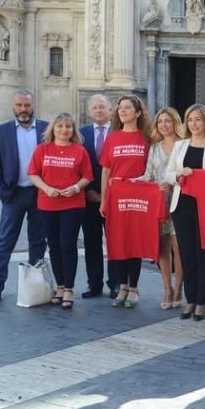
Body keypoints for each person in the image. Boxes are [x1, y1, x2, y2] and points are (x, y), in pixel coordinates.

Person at [0, 89, 49, 305]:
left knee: (38, 242)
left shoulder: (46, 129)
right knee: (5, 240)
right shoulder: (0, 131)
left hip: (40, 193)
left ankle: (34, 286)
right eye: (20, 105)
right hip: (13, 194)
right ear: (13, 106)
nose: (23, 110)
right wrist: (1, 192)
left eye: (27, 105)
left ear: (33, 106)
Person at [165, 104, 205, 320]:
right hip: (182, 206)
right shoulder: (179, 146)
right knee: (187, 254)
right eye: (190, 119)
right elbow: (167, 174)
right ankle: (190, 300)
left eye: (198, 119)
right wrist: (179, 174)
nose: (194, 124)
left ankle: (202, 300)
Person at [27, 113, 92, 310]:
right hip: (48, 203)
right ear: (53, 129)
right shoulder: (42, 150)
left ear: (73, 130)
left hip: (72, 204)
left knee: (67, 244)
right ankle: (60, 285)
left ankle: (69, 288)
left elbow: (87, 176)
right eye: (60, 126)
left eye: (68, 126)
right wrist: (46, 188)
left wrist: (76, 188)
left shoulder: (79, 151)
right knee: (53, 246)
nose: (64, 130)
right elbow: (33, 173)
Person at [99, 95, 153, 309]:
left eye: (127, 108)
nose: (122, 111)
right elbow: (105, 170)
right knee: (117, 242)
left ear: (138, 113)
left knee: (135, 242)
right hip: (115, 197)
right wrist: (103, 199)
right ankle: (121, 285)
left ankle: (133, 287)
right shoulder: (112, 139)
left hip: (138, 198)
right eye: (120, 107)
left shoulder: (146, 138)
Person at [141, 107, 185, 310]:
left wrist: (173, 184)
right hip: (159, 204)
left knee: (179, 248)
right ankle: (166, 288)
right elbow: (148, 175)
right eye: (160, 122)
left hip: (179, 202)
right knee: (162, 248)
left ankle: (179, 287)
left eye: (167, 121)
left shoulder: (185, 145)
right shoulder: (155, 148)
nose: (164, 125)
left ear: (175, 122)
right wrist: (127, 182)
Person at [80, 95, 117, 298]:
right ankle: (94, 284)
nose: (99, 110)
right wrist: (88, 191)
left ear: (110, 109)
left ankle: (115, 283)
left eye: (102, 106)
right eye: (94, 107)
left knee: (114, 242)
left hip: (115, 198)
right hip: (89, 198)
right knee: (92, 241)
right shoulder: (81, 134)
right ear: (89, 111)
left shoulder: (119, 133)